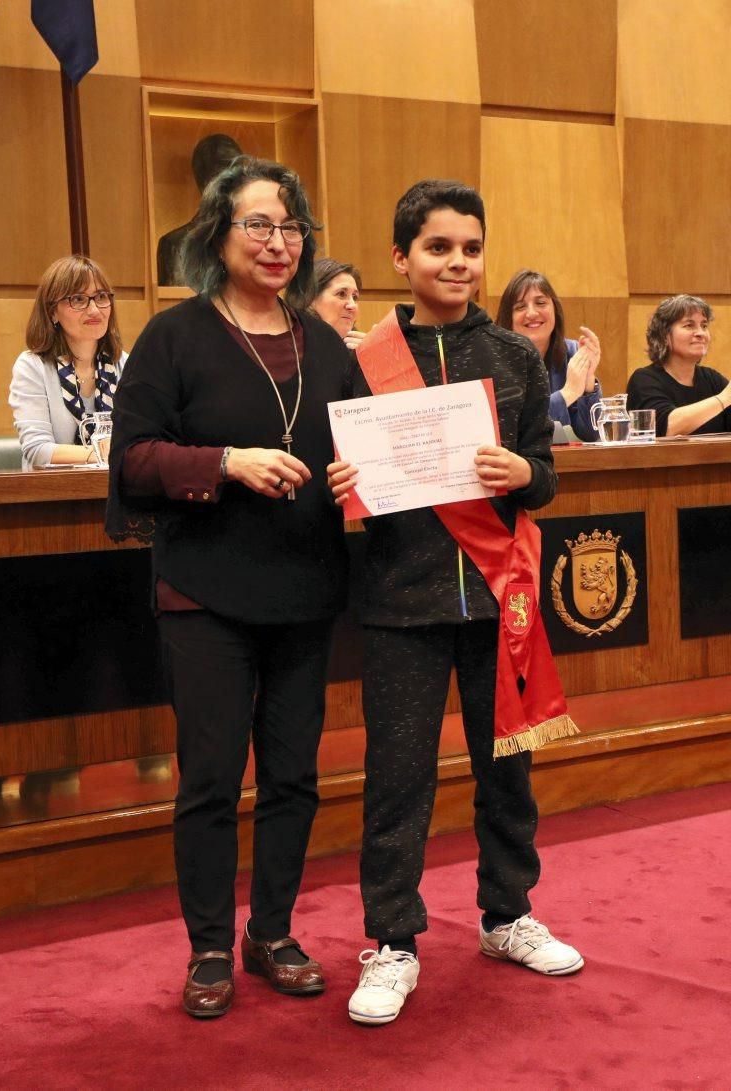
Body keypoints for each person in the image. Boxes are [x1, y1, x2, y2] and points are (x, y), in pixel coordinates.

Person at [328, 180, 582, 1028]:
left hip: (497, 602)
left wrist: (525, 476)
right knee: (396, 781)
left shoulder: (513, 355)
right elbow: (336, 487)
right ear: (402, 258)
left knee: (507, 772)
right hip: (401, 603)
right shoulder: (360, 361)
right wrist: (340, 486)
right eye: (439, 248)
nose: (460, 263)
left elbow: (543, 472)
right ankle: (393, 939)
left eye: (471, 248)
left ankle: (507, 914)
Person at [106, 157, 350, 1020]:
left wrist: (363, 474)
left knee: (293, 777)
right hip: (205, 591)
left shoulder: (325, 343)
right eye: (259, 225)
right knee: (211, 778)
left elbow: (356, 450)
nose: (279, 243)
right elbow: (131, 461)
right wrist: (225, 462)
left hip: (306, 589)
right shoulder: (175, 337)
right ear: (217, 233)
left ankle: (272, 932)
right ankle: (210, 946)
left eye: (291, 229)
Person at [9, 255, 126, 470]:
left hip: (118, 494)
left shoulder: (125, 365)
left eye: (101, 296)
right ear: (52, 311)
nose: (94, 310)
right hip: (54, 497)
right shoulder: (33, 367)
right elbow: (38, 451)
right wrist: (107, 452)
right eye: (79, 299)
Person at [496, 269, 602, 441]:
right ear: (508, 317)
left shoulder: (573, 352)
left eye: (540, 303)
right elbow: (514, 429)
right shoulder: (497, 361)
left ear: (555, 310)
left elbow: (591, 435)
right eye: (520, 306)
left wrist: (588, 382)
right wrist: (567, 394)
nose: (531, 313)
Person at [627, 294, 731, 435]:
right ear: (664, 335)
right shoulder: (644, 380)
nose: (701, 333)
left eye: (704, 325)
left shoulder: (712, 379)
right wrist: (724, 399)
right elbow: (666, 427)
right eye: (689, 325)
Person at [156, 133, 243, 286]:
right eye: (223, 169)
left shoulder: (259, 240)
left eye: (238, 169)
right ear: (203, 178)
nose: (234, 178)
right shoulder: (176, 245)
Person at [307, 257, 365, 349]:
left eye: (355, 297)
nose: (352, 305)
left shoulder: (358, 350)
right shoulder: (293, 348)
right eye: (342, 294)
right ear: (311, 298)